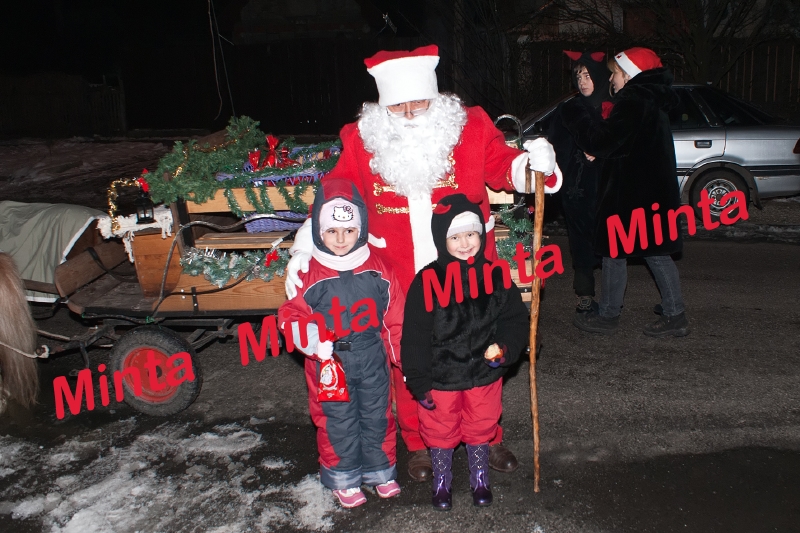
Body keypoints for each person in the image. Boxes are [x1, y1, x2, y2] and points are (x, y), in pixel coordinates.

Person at [285, 44, 562, 482]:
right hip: (399, 273)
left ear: (435, 96)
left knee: (481, 348)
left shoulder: (470, 126)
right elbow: (337, 192)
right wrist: (306, 246)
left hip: (468, 269)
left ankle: (487, 436)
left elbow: (504, 168)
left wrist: (533, 165)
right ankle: (419, 442)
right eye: (398, 106)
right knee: (409, 356)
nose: (410, 113)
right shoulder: (362, 138)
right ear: (383, 105)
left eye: (419, 103)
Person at [278, 178, 405, 508]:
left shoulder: (379, 269)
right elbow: (290, 316)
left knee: (377, 416)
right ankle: (344, 476)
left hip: (372, 356)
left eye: (348, 230)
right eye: (331, 231)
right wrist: (313, 342)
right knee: (338, 419)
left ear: (360, 230)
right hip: (330, 363)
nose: (340, 239)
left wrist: (404, 358)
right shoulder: (311, 273)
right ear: (318, 232)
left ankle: (380, 470)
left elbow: (395, 317)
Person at [400, 193, 529, 510]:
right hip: (442, 376)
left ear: (481, 235)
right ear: (441, 240)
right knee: (439, 427)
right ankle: (442, 480)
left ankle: (480, 476)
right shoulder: (427, 280)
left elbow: (514, 320)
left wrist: (506, 349)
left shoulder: (496, 275)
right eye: (455, 237)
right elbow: (414, 335)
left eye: (471, 234)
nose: (465, 243)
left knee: (481, 424)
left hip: (484, 374)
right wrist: (419, 380)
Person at [562, 47, 690, 337]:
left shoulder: (634, 101)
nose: (612, 78)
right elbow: (628, 146)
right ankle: (658, 310)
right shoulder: (649, 101)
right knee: (633, 253)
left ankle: (666, 314)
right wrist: (604, 151)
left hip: (634, 195)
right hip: (646, 192)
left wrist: (577, 118)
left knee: (630, 252)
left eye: (617, 73)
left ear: (630, 75)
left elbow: (604, 141)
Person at [548, 50, 612, 318]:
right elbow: (556, 148)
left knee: (610, 244)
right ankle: (585, 295)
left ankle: (611, 302)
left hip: (609, 189)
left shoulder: (615, 109)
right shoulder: (569, 110)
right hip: (577, 190)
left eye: (587, 76)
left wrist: (602, 152)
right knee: (581, 244)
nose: (583, 82)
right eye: (578, 76)